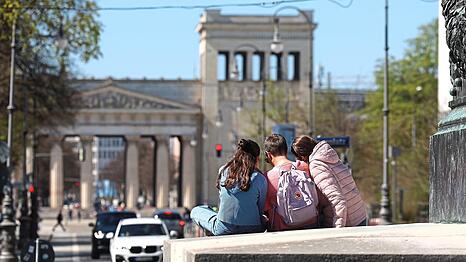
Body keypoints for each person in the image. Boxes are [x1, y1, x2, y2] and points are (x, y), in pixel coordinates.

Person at [191, 139, 267, 236]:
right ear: (256, 159)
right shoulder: (261, 179)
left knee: (196, 211)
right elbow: (260, 209)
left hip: (224, 227)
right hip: (254, 228)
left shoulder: (223, 171)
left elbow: (222, 201)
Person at [291, 135, 367, 228]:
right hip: (358, 213)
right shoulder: (329, 156)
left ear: (302, 156)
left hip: (349, 221)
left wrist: (337, 230)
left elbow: (337, 200)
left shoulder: (316, 165)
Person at [263, 134, 319, 231]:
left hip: (283, 230)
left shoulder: (267, 177)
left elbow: (265, 209)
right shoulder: (303, 166)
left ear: (268, 154)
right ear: (286, 150)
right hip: (310, 224)